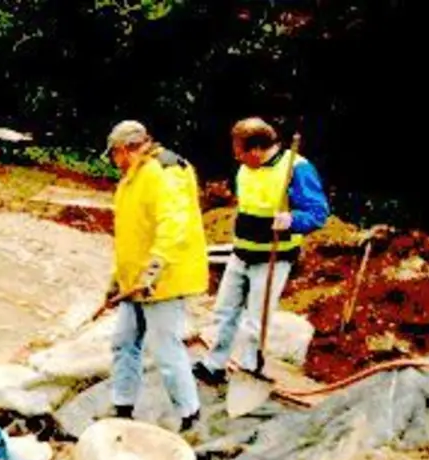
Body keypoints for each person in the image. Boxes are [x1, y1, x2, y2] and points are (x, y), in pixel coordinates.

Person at [194, 117, 330, 384]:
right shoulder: (246, 170)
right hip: (241, 252)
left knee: (256, 321)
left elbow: (318, 212)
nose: (237, 158)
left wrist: (293, 220)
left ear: (255, 149)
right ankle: (215, 364)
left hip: (272, 258)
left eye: (240, 152)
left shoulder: (297, 169)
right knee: (224, 311)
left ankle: (249, 368)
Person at [100, 119, 209, 432]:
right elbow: (133, 235)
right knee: (123, 341)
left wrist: (153, 270)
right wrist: (117, 280)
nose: (114, 162)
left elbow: (174, 224)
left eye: (114, 155)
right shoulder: (134, 176)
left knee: (165, 347)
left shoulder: (166, 171)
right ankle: (122, 406)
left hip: (164, 279)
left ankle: (190, 416)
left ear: (126, 149)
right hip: (135, 280)